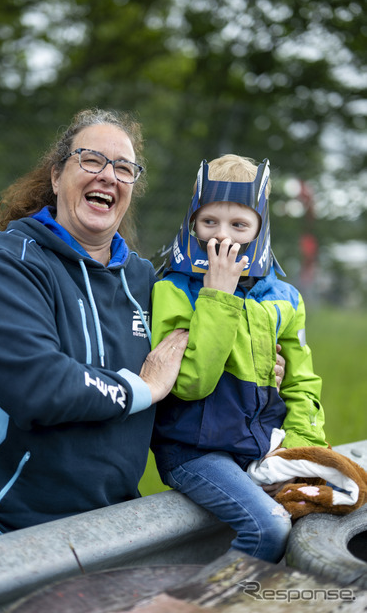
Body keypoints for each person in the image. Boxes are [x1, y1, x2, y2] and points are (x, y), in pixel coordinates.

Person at [0, 108, 189, 550]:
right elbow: (37, 386)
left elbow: (185, 380)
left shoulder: (147, 281)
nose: (108, 176)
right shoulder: (8, 260)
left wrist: (257, 374)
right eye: (91, 160)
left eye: (124, 168)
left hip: (91, 536)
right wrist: (142, 389)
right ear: (56, 176)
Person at [150, 153, 328, 563]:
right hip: (193, 451)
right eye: (209, 222)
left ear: (260, 229)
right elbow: (191, 383)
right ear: (192, 222)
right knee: (269, 526)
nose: (223, 238)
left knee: (330, 504)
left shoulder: (285, 298)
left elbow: (302, 384)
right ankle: (204, 604)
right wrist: (218, 297)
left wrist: (299, 450)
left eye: (239, 225)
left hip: (262, 447)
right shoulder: (172, 291)